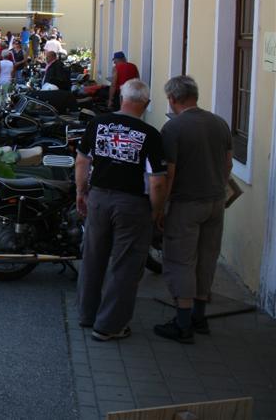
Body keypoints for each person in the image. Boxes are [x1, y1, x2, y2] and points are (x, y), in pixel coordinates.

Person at [76, 79, 166, 342]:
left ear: (121, 99)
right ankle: (109, 325)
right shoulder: (150, 135)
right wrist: (157, 210)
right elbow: (158, 181)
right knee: (125, 264)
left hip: (99, 198)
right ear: (146, 104)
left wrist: (81, 192)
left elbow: (82, 161)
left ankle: (86, 314)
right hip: (132, 204)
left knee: (93, 257)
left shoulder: (98, 123)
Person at [154, 75, 233, 343]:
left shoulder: (173, 128)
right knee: (207, 257)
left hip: (186, 203)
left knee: (181, 260)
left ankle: (183, 322)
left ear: (173, 98)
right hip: (215, 202)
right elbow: (228, 165)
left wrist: (161, 207)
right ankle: (200, 317)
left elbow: (170, 173)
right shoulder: (219, 123)